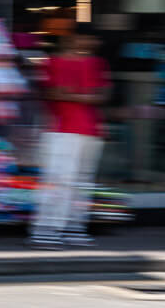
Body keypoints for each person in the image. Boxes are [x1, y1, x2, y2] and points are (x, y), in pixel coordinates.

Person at [29, 32, 110, 248]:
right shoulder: (53, 63)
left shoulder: (96, 63)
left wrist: (72, 95)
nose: (91, 41)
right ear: (71, 39)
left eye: (92, 38)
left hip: (86, 129)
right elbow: (53, 93)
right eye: (85, 37)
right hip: (62, 129)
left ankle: (72, 228)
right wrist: (85, 96)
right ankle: (46, 230)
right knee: (59, 182)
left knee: (80, 183)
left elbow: (101, 95)